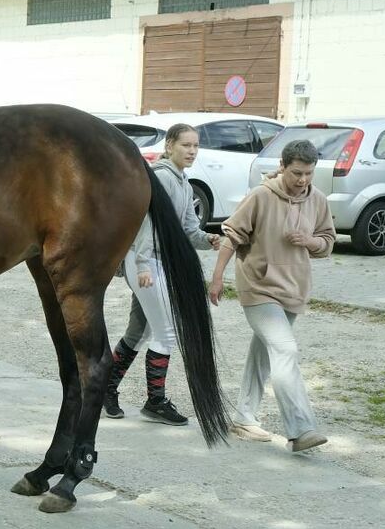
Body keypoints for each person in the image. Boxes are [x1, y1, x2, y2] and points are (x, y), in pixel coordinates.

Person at [208, 139, 335, 452]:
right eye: (296, 173)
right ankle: (301, 429)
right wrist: (216, 278)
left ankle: (243, 417)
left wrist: (309, 241)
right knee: (285, 350)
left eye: (308, 173)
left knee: (264, 354)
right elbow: (232, 237)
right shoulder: (261, 196)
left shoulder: (317, 200)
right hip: (259, 287)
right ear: (282, 167)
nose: (302, 180)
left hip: (294, 288)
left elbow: (327, 242)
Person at [104, 123, 220, 424]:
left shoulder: (183, 181)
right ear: (170, 146)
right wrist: (142, 266)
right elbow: (148, 224)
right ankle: (155, 402)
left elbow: (188, 229)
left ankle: (105, 389)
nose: (192, 151)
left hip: (154, 263)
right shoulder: (164, 179)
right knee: (166, 333)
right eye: (186, 145)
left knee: (139, 330)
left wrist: (209, 239)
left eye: (195, 146)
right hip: (146, 262)